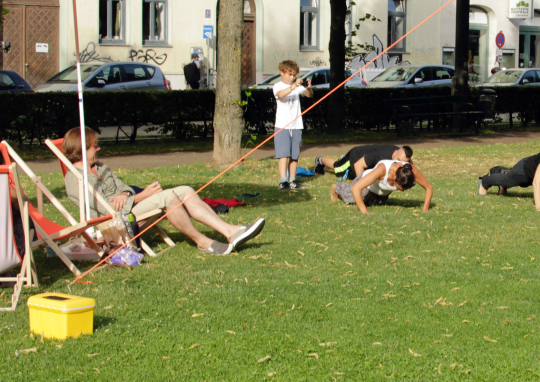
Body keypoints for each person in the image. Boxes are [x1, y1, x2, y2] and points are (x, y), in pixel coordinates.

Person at [62, 127, 264, 256]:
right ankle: (202, 242)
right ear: (81, 149)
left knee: (185, 190)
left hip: (128, 207)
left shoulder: (100, 167)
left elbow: (122, 186)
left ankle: (230, 231)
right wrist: (141, 196)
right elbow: (104, 206)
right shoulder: (75, 179)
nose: (98, 149)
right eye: (94, 147)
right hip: (114, 222)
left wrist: (125, 194)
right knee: (168, 197)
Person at [330, 159, 433, 214]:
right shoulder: (383, 170)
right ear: (394, 178)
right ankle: (337, 187)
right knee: (351, 199)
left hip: (381, 193)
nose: (402, 192)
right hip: (366, 186)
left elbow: (429, 188)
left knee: (375, 204)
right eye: (401, 188)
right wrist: (365, 212)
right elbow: (355, 188)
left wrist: (425, 209)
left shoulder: (411, 171)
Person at [273, 60, 313, 190]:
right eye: (290, 75)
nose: (292, 77)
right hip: (282, 125)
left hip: (296, 125)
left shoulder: (297, 86)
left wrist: (308, 88)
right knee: (283, 154)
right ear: (282, 73)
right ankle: (282, 181)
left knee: (294, 155)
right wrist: (293, 86)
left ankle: (292, 180)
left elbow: (308, 95)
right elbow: (280, 95)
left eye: (294, 75)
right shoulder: (277, 86)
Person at [314, 145, 412, 180]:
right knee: (338, 168)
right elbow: (358, 165)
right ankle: (320, 160)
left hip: (366, 158)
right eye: (398, 161)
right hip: (356, 157)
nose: (400, 164)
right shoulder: (380, 155)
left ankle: (343, 159)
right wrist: (363, 185)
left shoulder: (400, 155)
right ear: (395, 153)